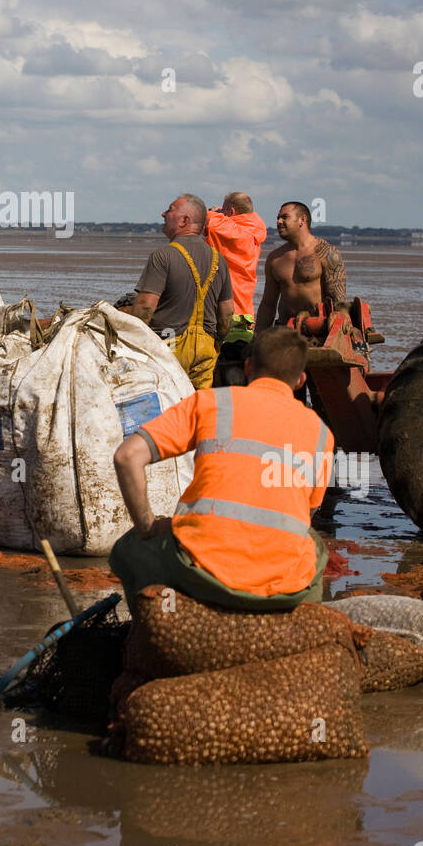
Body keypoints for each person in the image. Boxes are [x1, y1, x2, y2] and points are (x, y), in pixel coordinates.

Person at [109, 326, 333, 612]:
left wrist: (149, 526)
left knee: (129, 549)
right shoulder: (322, 434)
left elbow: (127, 457)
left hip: (200, 572)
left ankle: (154, 625)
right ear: (300, 380)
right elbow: (306, 516)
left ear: (248, 366)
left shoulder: (211, 402)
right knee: (315, 546)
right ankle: (297, 626)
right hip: (283, 586)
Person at [131, 193, 234, 388]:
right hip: (206, 349)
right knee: (199, 409)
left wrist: (130, 342)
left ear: (184, 220)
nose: (163, 214)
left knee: (168, 410)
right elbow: (227, 313)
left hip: (169, 348)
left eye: (170, 210)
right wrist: (216, 341)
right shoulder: (218, 258)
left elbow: (145, 307)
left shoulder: (163, 256)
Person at [255, 201, 348, 332]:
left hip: (319, 329)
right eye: (278, 218)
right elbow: (268, 304)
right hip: (285, 329)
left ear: (302, 220)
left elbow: (338, 302)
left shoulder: (326, 253)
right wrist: (258, 337)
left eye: (284, 217)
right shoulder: (275, 258)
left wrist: (340, 334)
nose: (279, 222)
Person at [205, 191, 268, 336]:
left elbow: (210, 221)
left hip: (226, 310)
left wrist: (215, 212)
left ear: (231, 211)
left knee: (220, 354)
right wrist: (223, 212)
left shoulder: (235, 232)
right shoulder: (255, 229)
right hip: (245, 309)